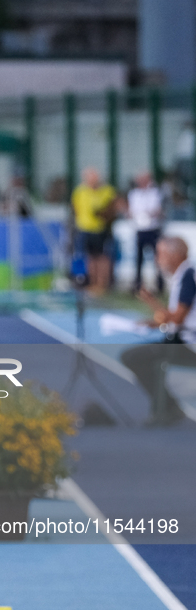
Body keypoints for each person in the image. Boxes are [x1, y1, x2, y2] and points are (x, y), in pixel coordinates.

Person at [121, 236, 196, 425]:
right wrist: (153, 322)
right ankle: (167, 406)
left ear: (175, 254)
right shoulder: (184, 275)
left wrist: (151, 303)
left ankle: (166, 408)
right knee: (136, 356)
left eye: (161, 253)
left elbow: (178, 318)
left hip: (187, 343)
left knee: (134, 357)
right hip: (183, 338)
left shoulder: (188, 277)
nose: (157, 259)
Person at [71, 167, 118, 295]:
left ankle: (102, 283)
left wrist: (103, 215)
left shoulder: (107, 191)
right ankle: (92, 282)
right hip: (85, 228)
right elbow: (76, 208)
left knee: (103, 257)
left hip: (101, 229)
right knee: (90, 257)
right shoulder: (80, 191)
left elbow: (112, 208)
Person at [126, 171, 164, 293]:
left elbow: (158, 210)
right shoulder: (134, 194)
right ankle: (137, 284)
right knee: (139, 259)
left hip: (153, 229)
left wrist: (148, 214)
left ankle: (159, 284)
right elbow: (131, 210)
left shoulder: (155, 193)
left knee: (157, 258)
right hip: (140, 229)